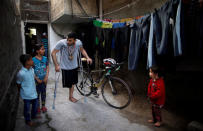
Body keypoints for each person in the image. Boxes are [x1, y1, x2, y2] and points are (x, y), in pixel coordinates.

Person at [51, 32, 92, 103]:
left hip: (74, 66)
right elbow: (53, 53)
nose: (68, 42)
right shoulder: (61, 43)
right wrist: (56, 65)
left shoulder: (78, 43)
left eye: (70, 40)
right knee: (68, 84)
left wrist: (88, 57)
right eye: (67, 40)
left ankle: (71, 97)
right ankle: (71, 96)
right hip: (65, 67)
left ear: (75, 40)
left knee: (73, 83)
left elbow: (82, 50)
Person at [16, 54, 38, 126]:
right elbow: (18, 84)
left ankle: (34, 115)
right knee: (27, 109)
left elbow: (33, 77)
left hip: (34, 92)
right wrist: (21, 91)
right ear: (26, 62)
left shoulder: (32, 69)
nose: (32, 61)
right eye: (31, 60)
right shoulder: (21, 73)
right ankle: (28, 120)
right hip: (26, 95)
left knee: (35, 106)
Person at [32, 44, 49, 113]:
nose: (44, 50)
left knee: (43, 93)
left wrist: (46, 77)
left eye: (44, 49)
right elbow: (32, 71)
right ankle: (38, 107)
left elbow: (47, 68)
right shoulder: (33, 60)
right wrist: (36, 79)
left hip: (44, 80)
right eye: (42, 49)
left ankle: (43, 106)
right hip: (37, 81)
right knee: (37, 94)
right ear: (37, 51)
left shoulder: (45, 58)